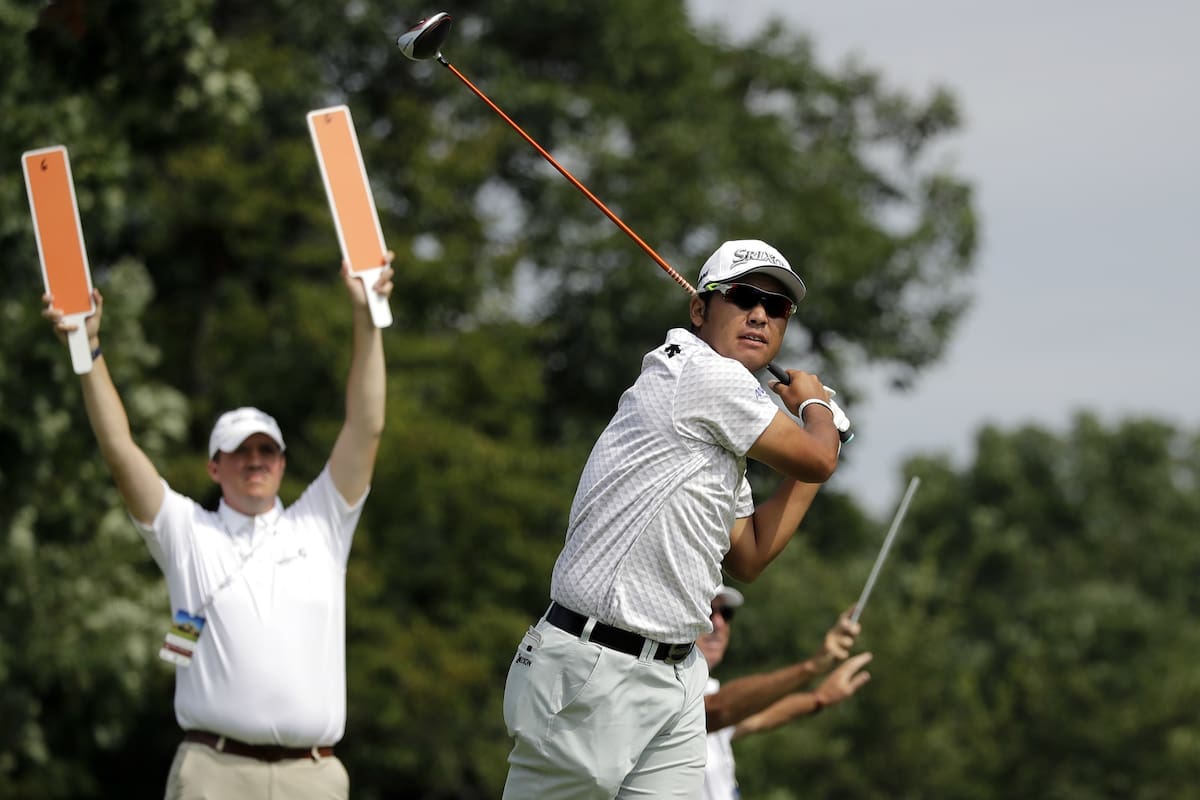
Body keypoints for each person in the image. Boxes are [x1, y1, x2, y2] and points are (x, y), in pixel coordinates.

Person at [501, 239, 851, 798]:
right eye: (742, 297)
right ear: (699, 309)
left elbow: (751, 554)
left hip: (676, 674)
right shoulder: (704, 374)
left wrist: (821, 440)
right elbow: (819, 456)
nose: (760, 314)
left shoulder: (723, 438)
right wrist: (817, 407)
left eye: (778, 307)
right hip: (595, 668)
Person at [41, 256, 393, 800]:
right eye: (239, 452)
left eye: (266, 451)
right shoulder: (188, 533)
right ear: (215, 466)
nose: (255, 461)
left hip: (314, 777)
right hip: (214, 772)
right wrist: (88, 349)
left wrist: (367, 316)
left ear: (281, 462)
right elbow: (120, 451)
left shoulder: (322, 521)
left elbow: (366, 425)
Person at [700, 585, 873, 800]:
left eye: (725, 614)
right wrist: (812, 667)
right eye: (707, 611)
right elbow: (716, 711)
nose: (718, 623)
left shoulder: (709, 687)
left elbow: (758, 717)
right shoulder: (667, 684)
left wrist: (819, 698)